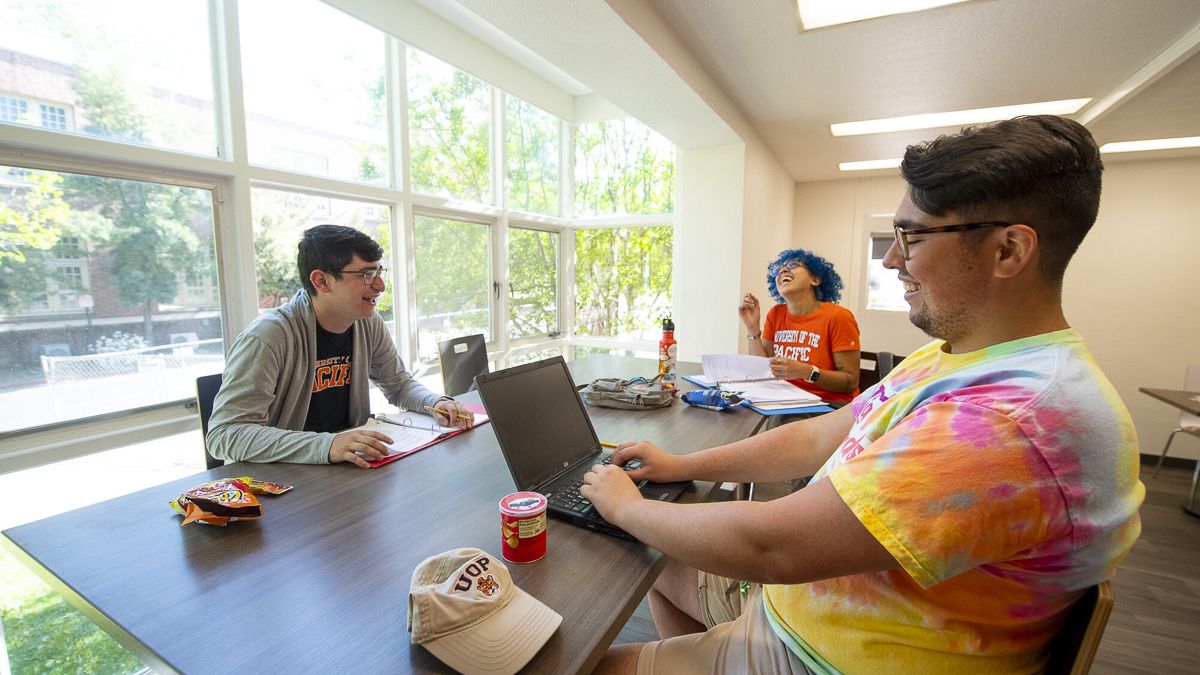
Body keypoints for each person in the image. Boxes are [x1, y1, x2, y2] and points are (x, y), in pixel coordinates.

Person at [581, 115, 1144, 674]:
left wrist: (624, 506)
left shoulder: (1010, 420)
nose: (891, 259)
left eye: (912, 236)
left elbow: (772, 548)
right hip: (807, 608)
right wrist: (681, 462)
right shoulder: (954, 354)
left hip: (828, 654)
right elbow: (818, 433)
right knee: (659, 557)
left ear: (1008, 251)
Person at [207, 224, 472, 469]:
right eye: (366, 274)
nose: (380, 285)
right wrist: (328, 445)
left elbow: (399, 385)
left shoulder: (368, 322)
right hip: (284, 480)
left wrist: (435, 402)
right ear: (322, 281)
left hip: (346, 470)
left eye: (379, 272)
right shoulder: (268, 336)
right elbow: (226, 434)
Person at [739, 249, 861, 403]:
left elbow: (850, 382)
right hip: (785, 399)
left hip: (829, 404)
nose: (783, 270)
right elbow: (762, 371)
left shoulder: (839, 317)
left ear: (815, 280)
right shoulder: (776, 314)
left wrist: (807, 372)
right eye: (778, 269)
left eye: (793, 265)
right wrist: (752, 328)